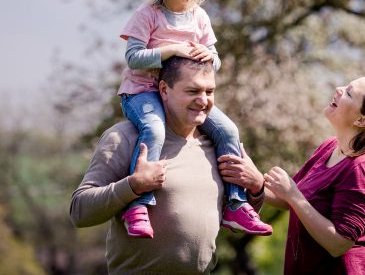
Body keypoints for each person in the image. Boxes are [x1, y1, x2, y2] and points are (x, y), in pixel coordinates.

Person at [117, 0, 271, 238]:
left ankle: (236, 204)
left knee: (228, 131)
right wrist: (169, 50)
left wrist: (208, 57)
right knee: (155, 130)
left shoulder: (199, 17)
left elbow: (215, 61)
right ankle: (138, 203)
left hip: (184, 96)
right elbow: (133, 58)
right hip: (143, 92)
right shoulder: (148, 14)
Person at [70, 57, 267, 274]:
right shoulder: (125, 138)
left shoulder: (219, 146)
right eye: (192, 91)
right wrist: (132, 186)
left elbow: (229, 221)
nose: (203, 101)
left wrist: (257, 189)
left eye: (209, 92)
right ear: (164, 90)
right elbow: (80, 212)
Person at [219, 75, 365, 274]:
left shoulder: (364, 167)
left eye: (349, 93)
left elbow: (339, 243)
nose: (338, 88)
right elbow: (291, 201)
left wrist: (294, 195)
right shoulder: (330, 147)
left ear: (362, 120)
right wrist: (254, 180)